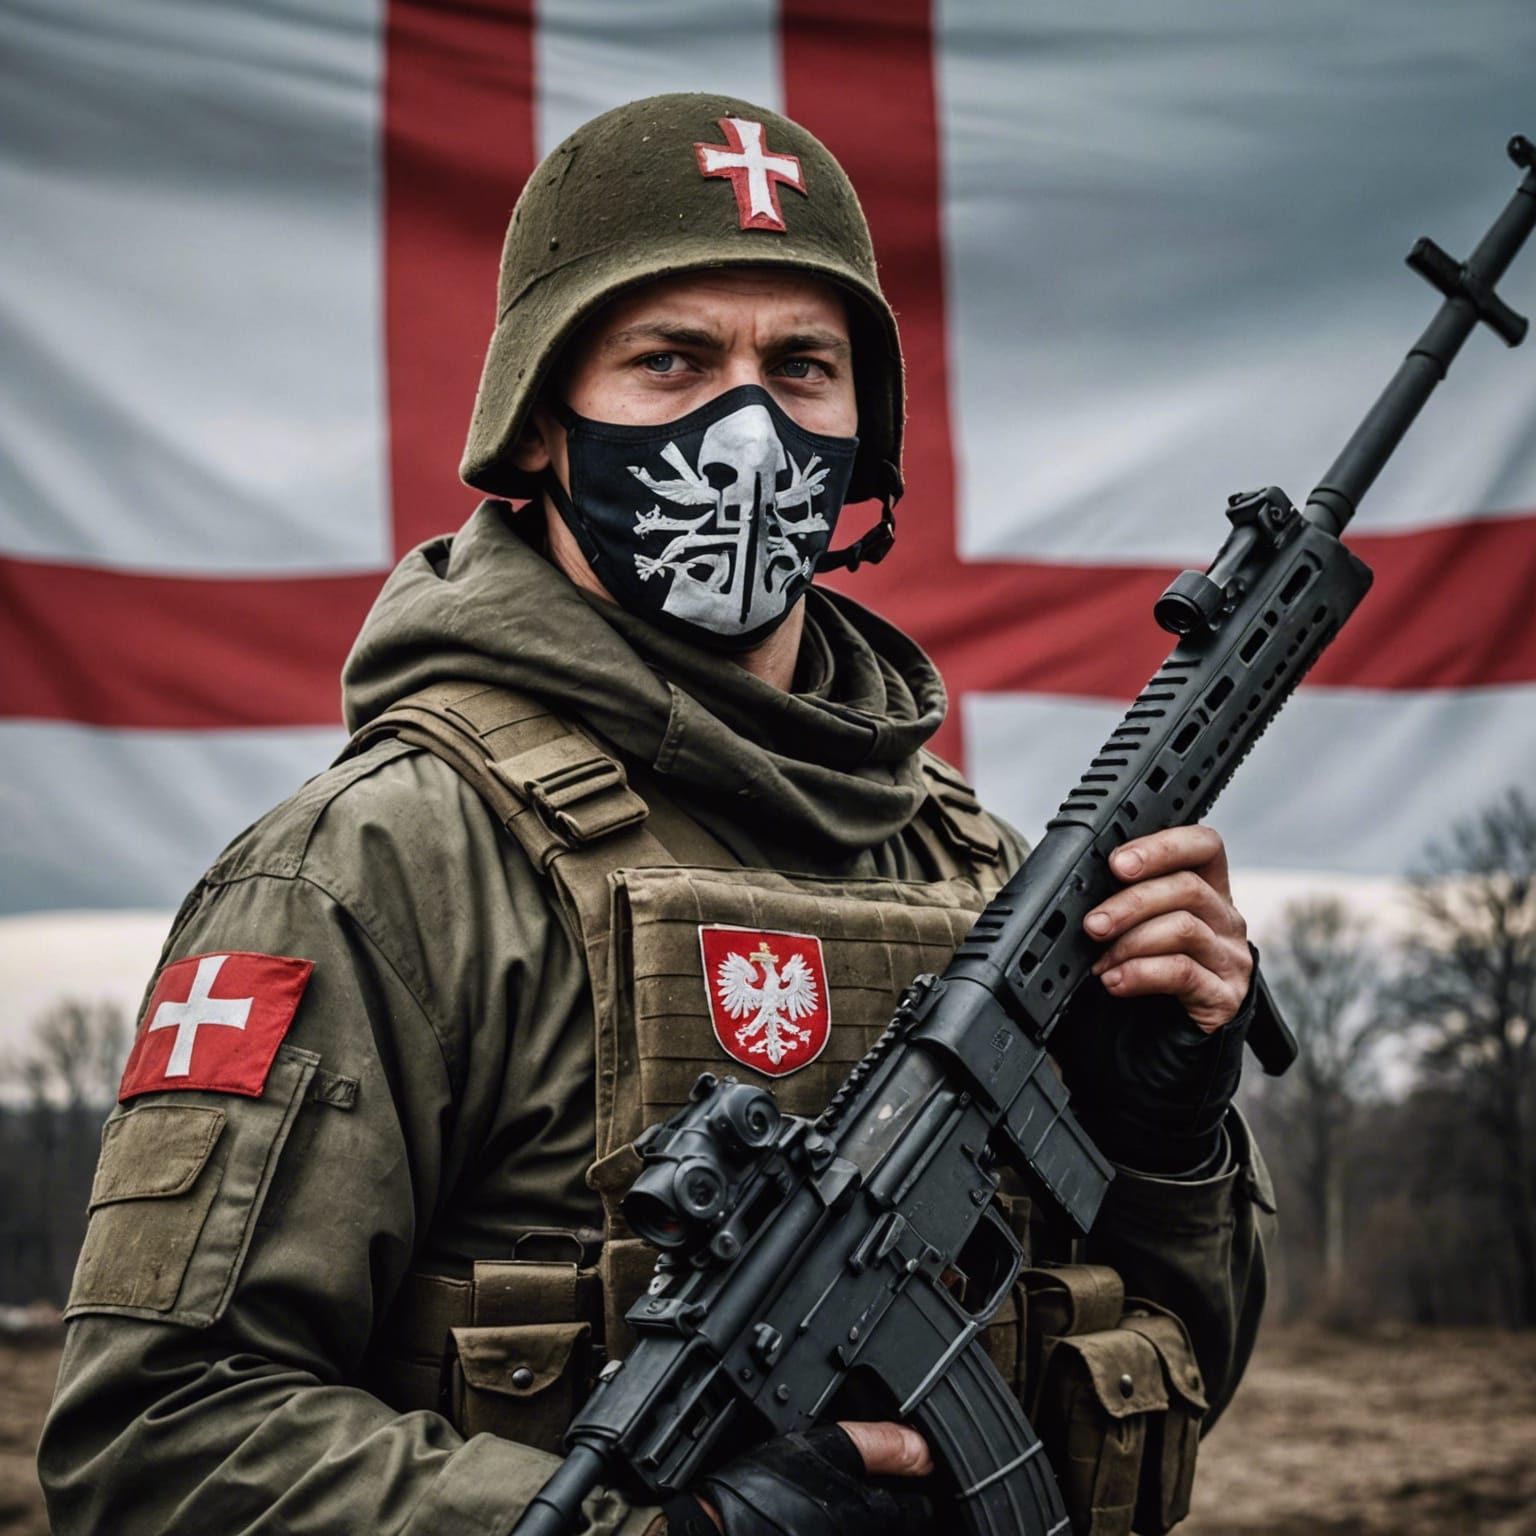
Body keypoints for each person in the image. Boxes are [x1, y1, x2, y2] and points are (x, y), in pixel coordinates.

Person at [39, 94, 1274, 1536]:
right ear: (542, 421)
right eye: (671, 359)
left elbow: (1163, 1369)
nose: (748, 426)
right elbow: (155, 1445)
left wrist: (1167, 1139)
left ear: (862, 430)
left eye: (802, 366)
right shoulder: (380, 866)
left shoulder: (975, 867)